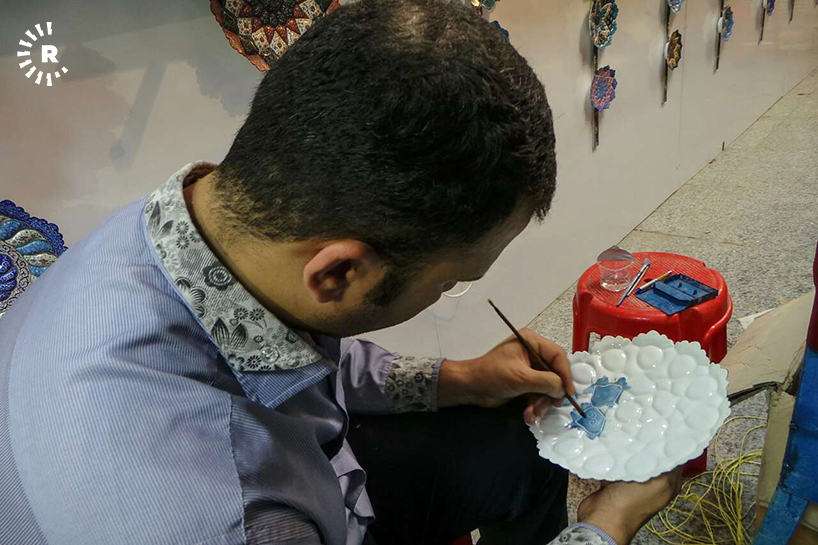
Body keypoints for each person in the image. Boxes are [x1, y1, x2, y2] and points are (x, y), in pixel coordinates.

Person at [0, 0, 682, 543]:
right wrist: (605, 526)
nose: (451, 291)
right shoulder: (229, 514)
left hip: (309, 473)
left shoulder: (183, 227)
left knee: (525, 443)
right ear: (338, 274)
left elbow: (286, 354)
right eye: (451, 280)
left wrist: (461, 378)